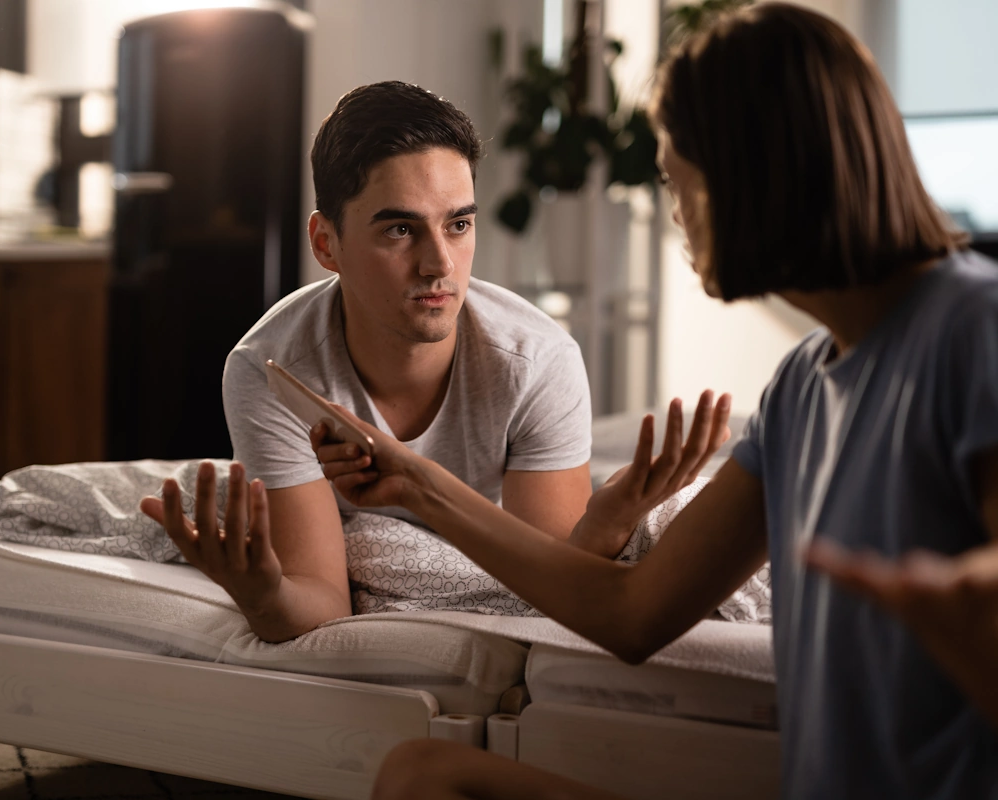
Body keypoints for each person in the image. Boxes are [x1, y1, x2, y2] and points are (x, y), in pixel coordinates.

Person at [309, 4, 998, 799]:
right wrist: (415, 484)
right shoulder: (804, 385)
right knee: (424, 775)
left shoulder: (973, 333)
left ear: (754, 173)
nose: (674, 211)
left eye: (678, 179)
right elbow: (633, 612)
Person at [139, 79, 734, 643]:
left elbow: (557, 593)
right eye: (400, 229)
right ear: (326, 245)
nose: (439, 264)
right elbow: (321, 601)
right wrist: (264, 591)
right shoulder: (269, 369)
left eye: (458, 225)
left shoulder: (536, 361)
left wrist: (606, 526)